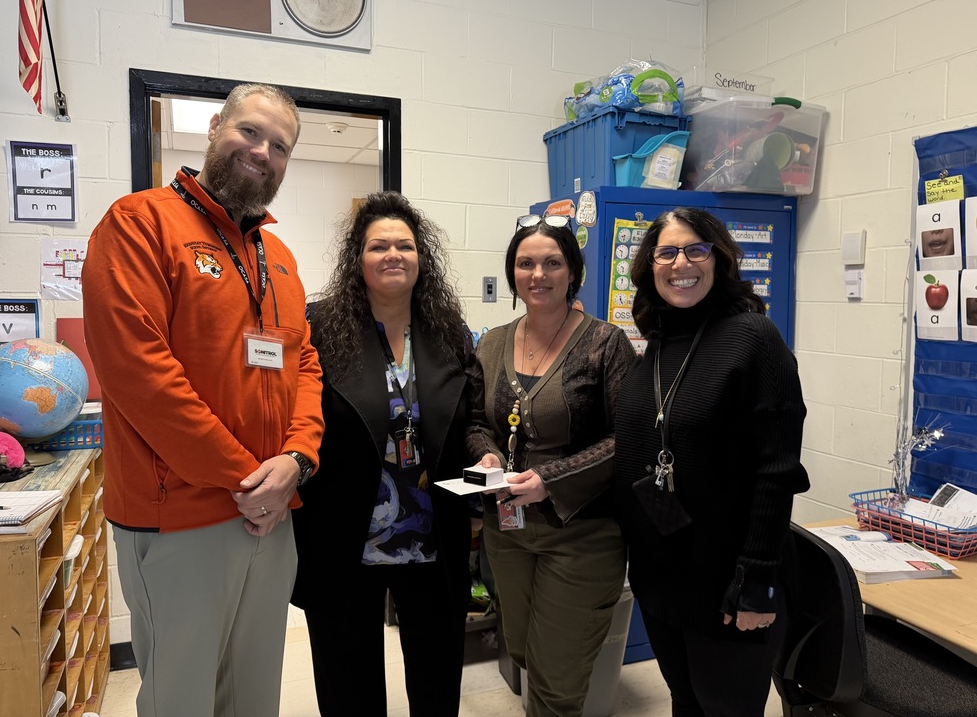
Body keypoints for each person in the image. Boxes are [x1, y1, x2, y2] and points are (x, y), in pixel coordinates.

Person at [82, 83, 324, 717]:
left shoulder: (280, 259)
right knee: (182, 700)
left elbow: (303, 363)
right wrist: (247, 477)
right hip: (180, 515)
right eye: (250, 131)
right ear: (215, 126)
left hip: (271, 514)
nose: (262, 152)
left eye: (280, 146)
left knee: (254, 695)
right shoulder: (139, 224)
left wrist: (297, 459)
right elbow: (139, 374)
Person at [613, 207, 810, 717]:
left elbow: (776, 470)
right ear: (649, 266)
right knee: (685, 702)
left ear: (719, 258)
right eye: (668, 252)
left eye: (696, 249)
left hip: (731, 583)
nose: (682, 263)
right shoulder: (656, 344)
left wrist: (758, 581)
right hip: (665, 582)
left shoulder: (754, 339)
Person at [291, 191, 474, 716]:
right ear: (358, 258)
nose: (393, 254)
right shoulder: (320, 328)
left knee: (437, 683)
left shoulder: (447, 331)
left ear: (422, 257)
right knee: (349, 688)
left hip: (432, 538)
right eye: (378, 246)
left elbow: (469, 418)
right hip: (345, 538)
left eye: (405, 245)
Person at [465, 214, 638, 717]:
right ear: (513, 273)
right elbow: (476, 420)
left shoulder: (605, 344)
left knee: (558, 682)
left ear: (572, 272)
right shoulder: (492, 343)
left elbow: (627, 437)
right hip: (508, 530)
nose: (538, 274)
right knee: (523, 656)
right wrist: (488, 455)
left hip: (582, 534)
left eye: (551, 263)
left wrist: (551, 480)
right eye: (525, 264)